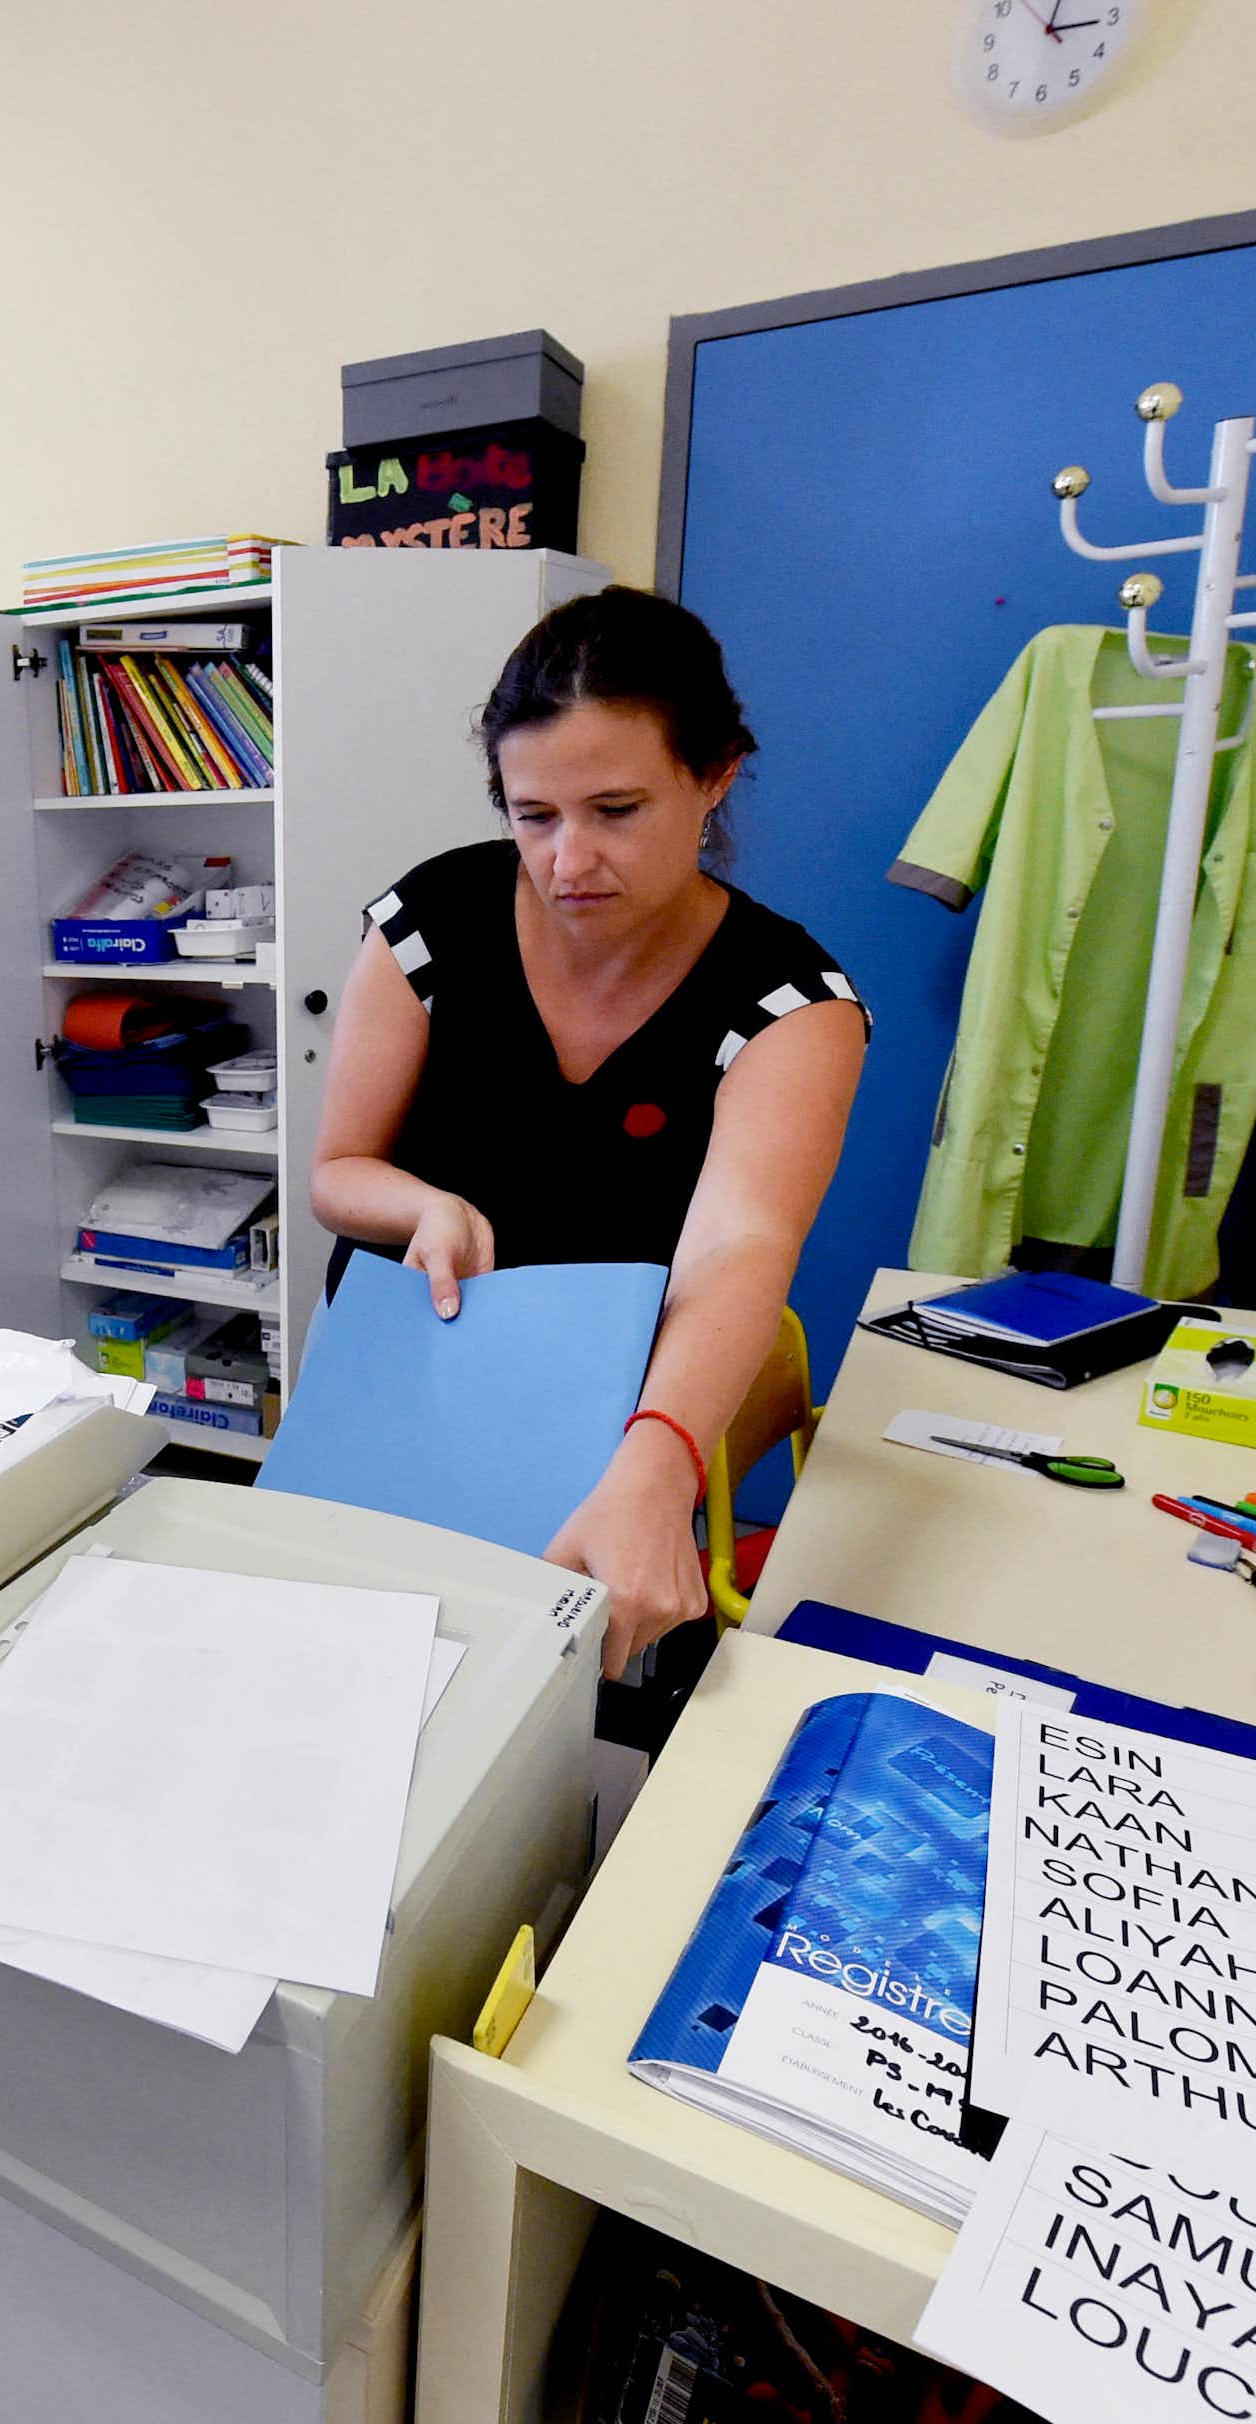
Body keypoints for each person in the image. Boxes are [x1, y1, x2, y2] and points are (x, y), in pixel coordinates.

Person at [310, 585, 867, 1679]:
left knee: (558, 1695)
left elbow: (738, 1246)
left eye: (616, 810)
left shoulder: (791, 1002)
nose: (569, 861)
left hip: (613, 1414)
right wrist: (420, 1202)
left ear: (714, 779)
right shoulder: (429, 923)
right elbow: (338, 1171)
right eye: (534, 816)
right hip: (399, 1386)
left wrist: (656, 1463)